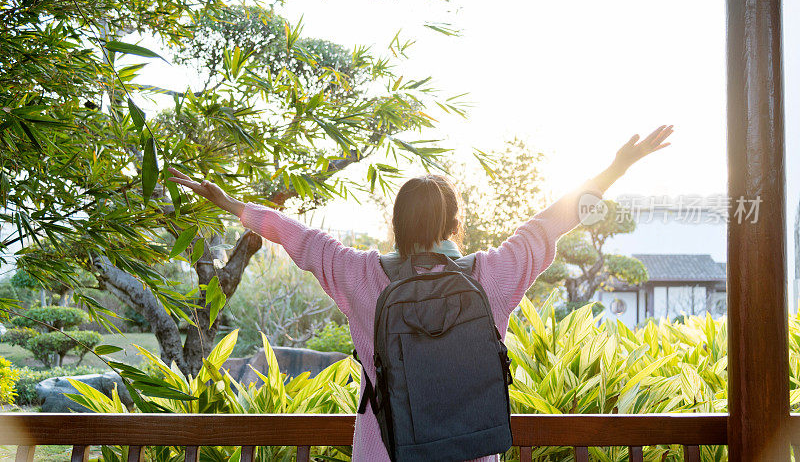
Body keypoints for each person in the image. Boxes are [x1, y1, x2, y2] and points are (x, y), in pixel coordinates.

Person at [168, 124, 673, 461]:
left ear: (395, 221)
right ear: (455, 223)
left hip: (384, 449)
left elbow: (292, 233)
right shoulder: (490, 275)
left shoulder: (357, 275)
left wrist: (229, 202)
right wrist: (616, 169)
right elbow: (553, 221)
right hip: (471, 451)